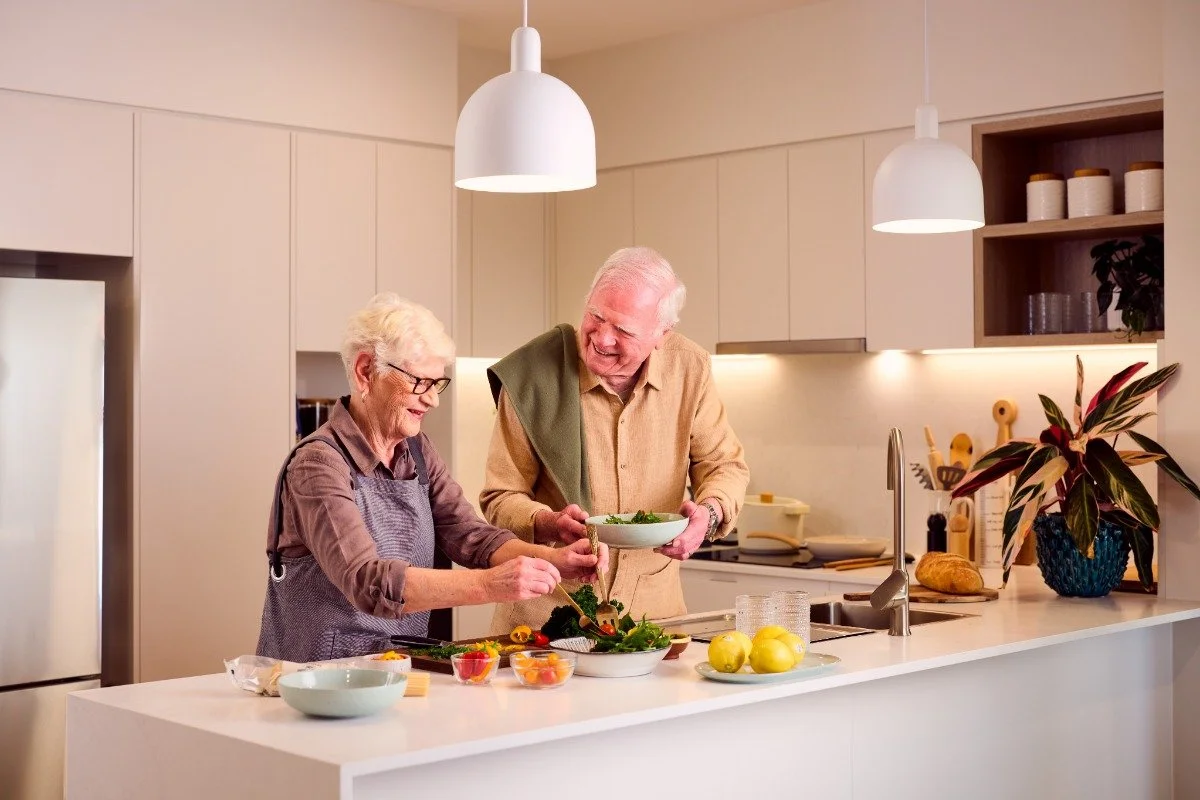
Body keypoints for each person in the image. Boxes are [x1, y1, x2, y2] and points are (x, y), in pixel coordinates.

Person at [257, 293, 607, 662]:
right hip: (315, 679)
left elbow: (471, 537)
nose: (432, 400)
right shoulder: (317, 464)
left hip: (394, 672)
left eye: (437, 384)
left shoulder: (417, 451)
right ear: (365, 371)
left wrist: (555, 560)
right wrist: (491, 585)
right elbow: (368, 583)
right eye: (420, 382)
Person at [481, 246, 749, 632]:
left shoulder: (690, 369)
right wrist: (548, 521)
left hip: (654, 619)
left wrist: (707, 515)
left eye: (623, 329)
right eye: (595, 316)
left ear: (662, 334)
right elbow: (499, 497)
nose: (602, 338)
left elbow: (725, 466)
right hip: (547, 617)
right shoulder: (532, 377)